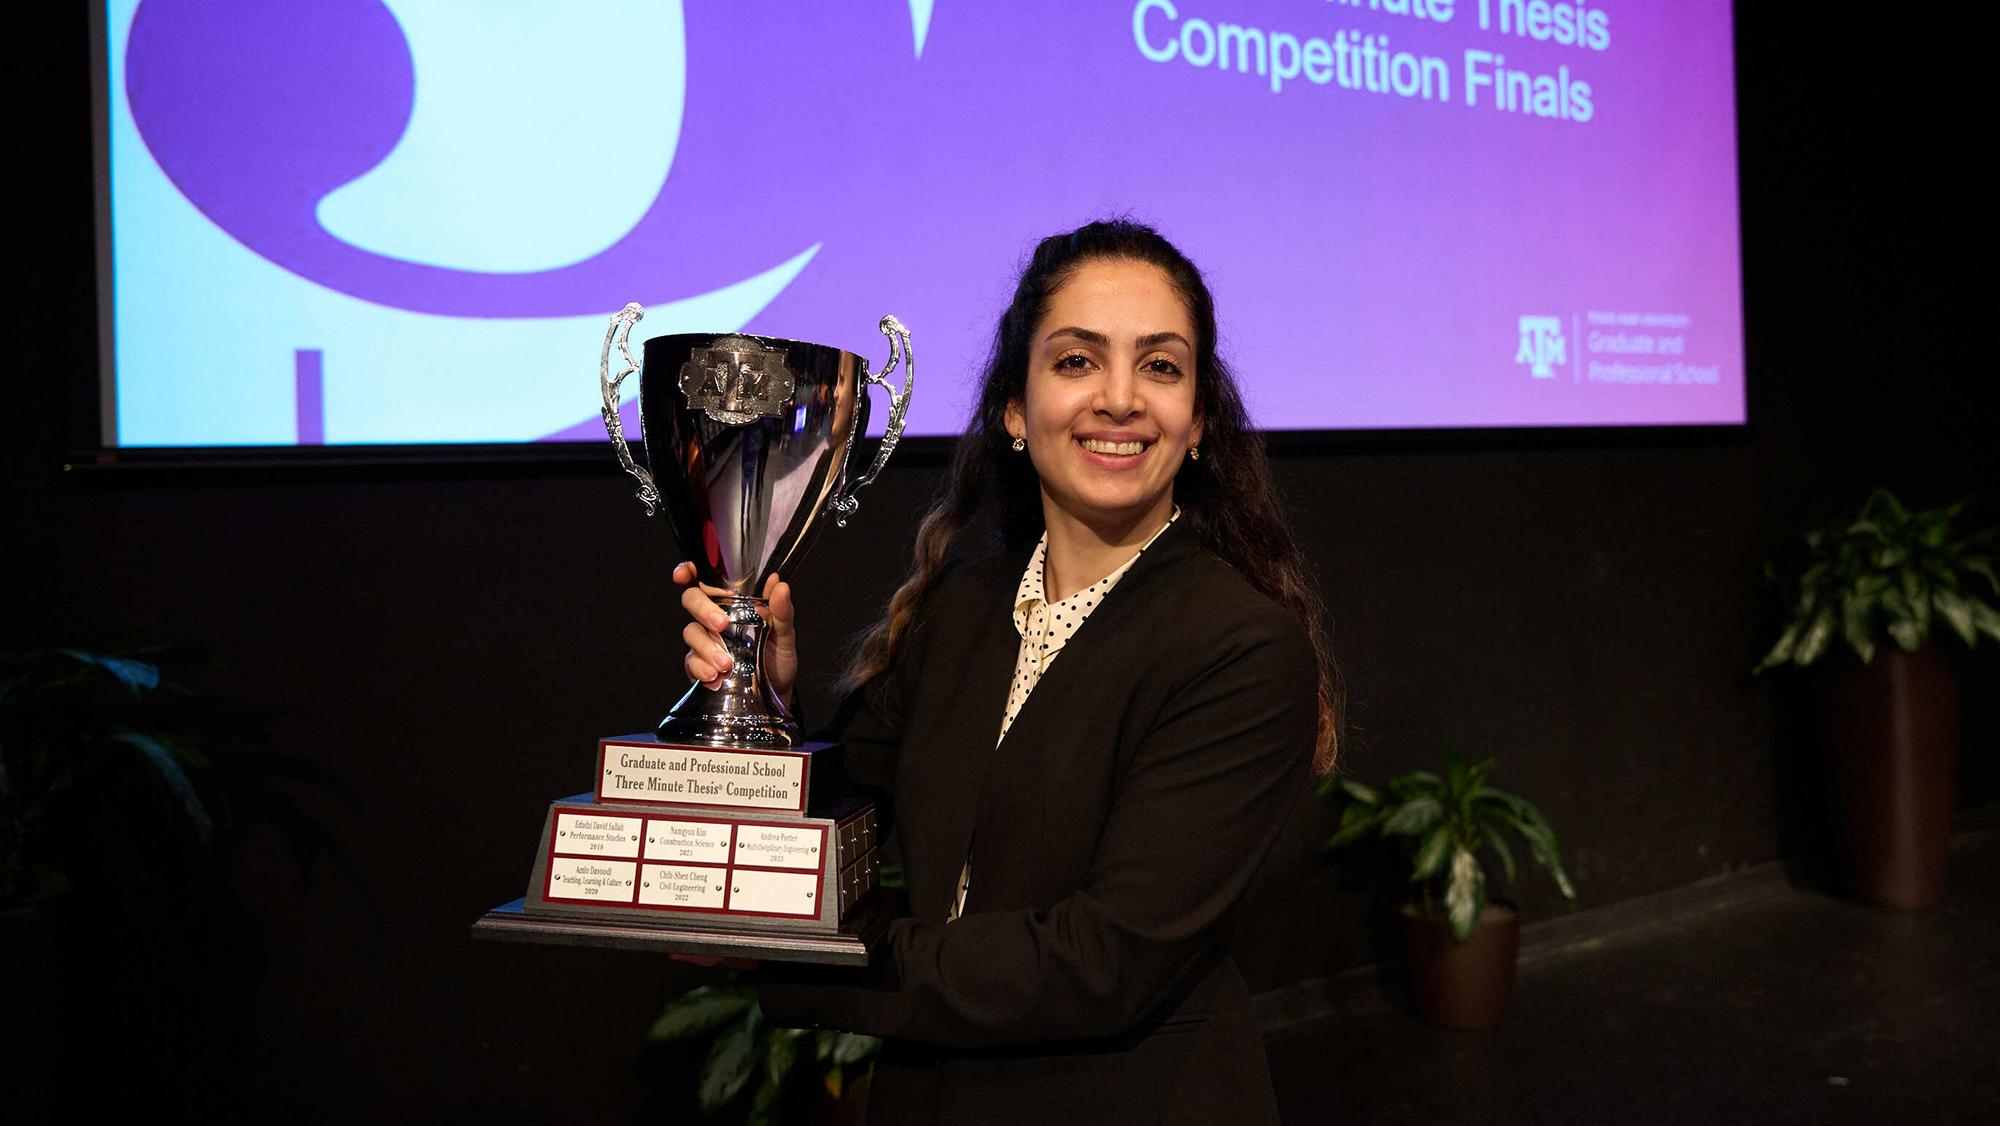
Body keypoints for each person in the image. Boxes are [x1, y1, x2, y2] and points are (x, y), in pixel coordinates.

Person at [673, 219, 1339, 1125]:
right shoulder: (959, 606)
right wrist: (769, 698)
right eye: (1075, 361)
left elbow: (1097, 966)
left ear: (1200, 425)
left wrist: (802, 959)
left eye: (1161, 366)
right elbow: (846, 812)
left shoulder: (1243, 649)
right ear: (1015, 411)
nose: (1119, 398)